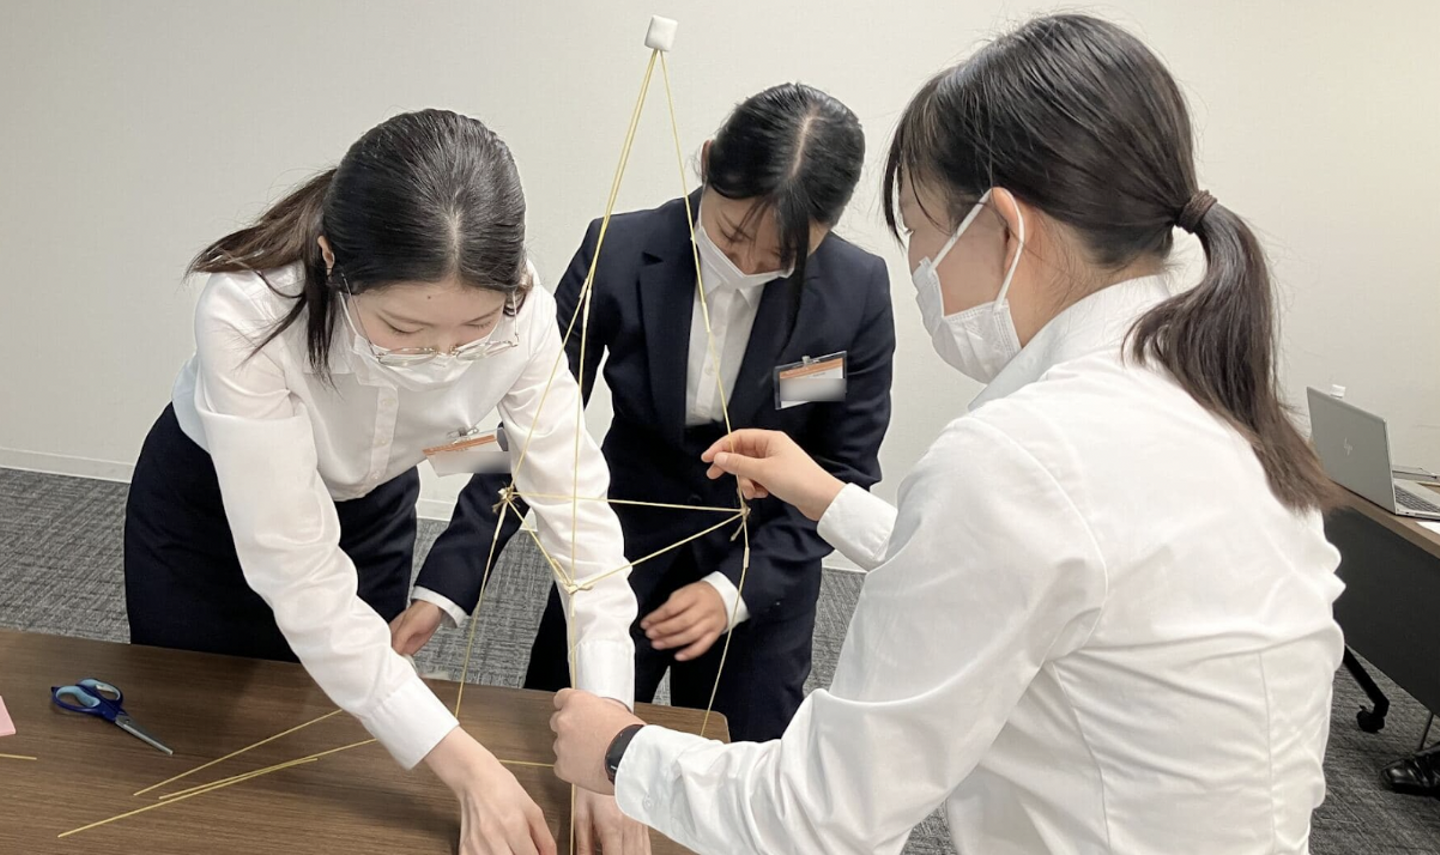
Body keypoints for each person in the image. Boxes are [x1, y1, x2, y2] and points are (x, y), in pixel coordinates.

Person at [550, 14, 1346, 854]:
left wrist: (622, 752)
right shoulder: (1226, 412)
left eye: (919, 230)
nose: (919, 265)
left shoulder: (1019, 457)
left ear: (1003, 225)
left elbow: (828, 811)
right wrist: (827, 497)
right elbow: (1035, 578)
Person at [124, 109, 648, 855]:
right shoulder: (249, 307)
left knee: (337, 734)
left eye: (474, 329)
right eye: (403, 331)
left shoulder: (525, 314)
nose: (442, 358)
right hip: (206, 507)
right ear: (334, 260)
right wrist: (471, 770)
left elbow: (580, 522)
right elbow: (298, 572)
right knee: (197, 736)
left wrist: (609, 739)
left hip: (372, 502)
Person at [398, 83, 894, 743]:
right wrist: (450, 580)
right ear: (709, 161)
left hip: (767, 561)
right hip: (616, 544)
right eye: (733, 234)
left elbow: (844, 471)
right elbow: (533, 426)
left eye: (780, 257)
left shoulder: (858, 291)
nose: (748, 264)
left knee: (746, 761)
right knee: (558, 744)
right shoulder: (619, 248)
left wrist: (734, 590)